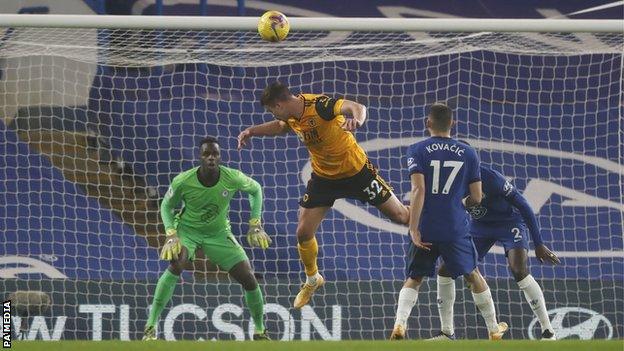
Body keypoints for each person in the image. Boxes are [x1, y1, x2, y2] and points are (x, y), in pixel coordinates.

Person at [238, 81, 409, 309]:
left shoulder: (320, 105)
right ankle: (312, 278)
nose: (273, 114)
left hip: (356, 173)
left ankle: (425, 206)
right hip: (324, 179)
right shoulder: (290, 116)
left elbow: (356, 106)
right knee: (303, 232)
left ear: (279, 104)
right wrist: (251, 131)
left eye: (271, 110)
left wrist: (357, 120)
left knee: (401, 217)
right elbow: (280, 127)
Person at [390, 103, 507, 340]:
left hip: (426, 226)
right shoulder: (468, 152)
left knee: (414, 278)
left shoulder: (416, 149)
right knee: (473, 274)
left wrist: (413, 227)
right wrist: (461, 204)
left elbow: (418, 189)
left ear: (428, 123)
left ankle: (400, 325)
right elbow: (476, 197)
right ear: (452, 123)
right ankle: (494, 329)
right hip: (454, 226)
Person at [143, 137, 272, 340]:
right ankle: (150, 327)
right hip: (188, 232)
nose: (211, 157)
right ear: (200, 156)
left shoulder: (232, 177)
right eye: (206, 154)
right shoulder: (183, 181)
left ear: (219, 157)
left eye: (215, 154)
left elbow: (255, 189)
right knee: (177, 263)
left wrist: (255, 224)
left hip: (219, 234)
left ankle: (260, 331)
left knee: (249, 277)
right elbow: (166, 206)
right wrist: (170, 233)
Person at [436, 153, 560, 340]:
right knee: (445, 269)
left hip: (509, 223)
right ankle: (447, 333)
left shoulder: (491, 178)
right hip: (479, 227)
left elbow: (523, 205)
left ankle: (548, 331)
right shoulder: (450, 182)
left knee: (518, 270)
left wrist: (539, 243)